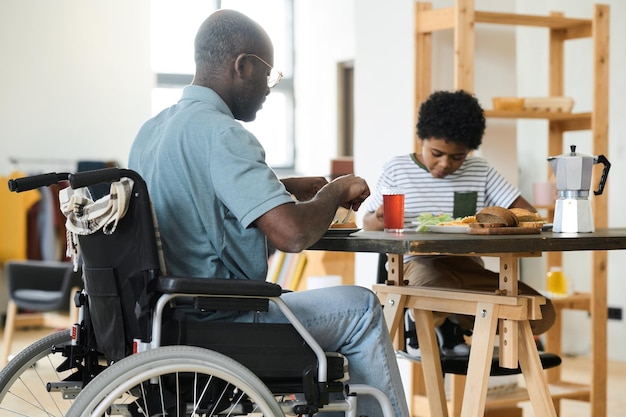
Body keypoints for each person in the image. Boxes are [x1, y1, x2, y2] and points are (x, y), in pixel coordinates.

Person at [128, 9, 409, 417]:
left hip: (167, 318)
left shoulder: (151, 132)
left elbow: (197, 198)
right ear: (242, 66)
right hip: (222, 323)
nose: (268, 88)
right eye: (267, 75)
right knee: (362, 308)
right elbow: (291, 234)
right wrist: (335, 190)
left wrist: (285, 188)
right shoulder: (224, 133)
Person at [363, 90, 555, 356]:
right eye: (437, 153)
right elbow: (367, 223)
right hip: (416, 266)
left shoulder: (480, 170)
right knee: (434, 288)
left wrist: (495, 222)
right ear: (421, 138)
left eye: (457, 157)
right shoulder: (397, 170)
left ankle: (448, 322)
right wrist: (378, 219)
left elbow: (528, 214)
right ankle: (435, 323)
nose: (445, 164)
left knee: (542, 311)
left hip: (466, 266)